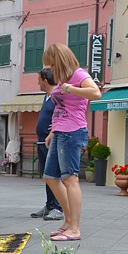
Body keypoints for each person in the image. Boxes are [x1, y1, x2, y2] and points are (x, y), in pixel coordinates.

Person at [41, 43, 101, 242]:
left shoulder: (78, 75)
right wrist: (52, 132)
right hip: (60, 132)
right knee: (50, 177)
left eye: (50, 65)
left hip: (73, 131)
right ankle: (68, 221)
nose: (49, 70)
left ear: (58, 60)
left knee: (70, 179)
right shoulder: (63, 79)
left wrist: (72, 88)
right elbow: (60, 109)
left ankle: (75, 228)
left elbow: (96, 93)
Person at [30, 67, 64, 222]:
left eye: (39, 80)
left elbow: (64, 113)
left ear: (45, 80)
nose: (38, 83)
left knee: (54, 176)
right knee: (46, 176)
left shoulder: (57, 96)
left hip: (51, 143)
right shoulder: (47, 97)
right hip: (41, 142)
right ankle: (50, 205)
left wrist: (55, 128)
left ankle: (58, 207)